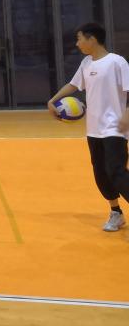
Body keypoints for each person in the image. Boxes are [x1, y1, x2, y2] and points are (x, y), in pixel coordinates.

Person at [47, 22, 129, 232]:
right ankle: (116, 213)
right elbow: (73, 85)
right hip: (94, 130)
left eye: (79, 38)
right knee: (100, 173)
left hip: (114, 128)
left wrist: (126, 116)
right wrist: (53, 100)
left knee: (117, 172)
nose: (77, 43)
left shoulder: (117, 62)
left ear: (92, 39)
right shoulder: (86, 63)